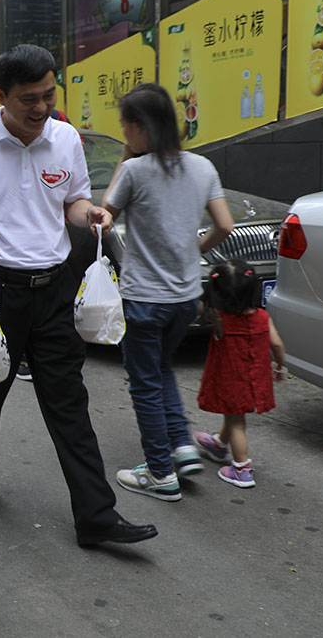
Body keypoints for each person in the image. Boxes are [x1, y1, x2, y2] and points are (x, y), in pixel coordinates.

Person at [0, 44, 157, 547]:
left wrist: (91, 215)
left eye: (48, 95)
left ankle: (96, 515)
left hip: (55, 288)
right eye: (29, 99)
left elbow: (73, 202)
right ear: (1, 96)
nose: (41, 107)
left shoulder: (65, 138)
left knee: (69, 402)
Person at [101, 83, 235, 501]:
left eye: (125, 127)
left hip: (144, 299)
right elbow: (225, 225)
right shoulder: (203, 167)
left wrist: (125, 159)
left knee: (144, 383)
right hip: (186, 298)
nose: (124, 135)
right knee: (162, 369)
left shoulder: (136, 171)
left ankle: (160, 472)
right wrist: (195, 250)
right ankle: (182, 447)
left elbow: (104, 216)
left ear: (140, 127)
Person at [192, 259, 285, 489]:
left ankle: (241, 470)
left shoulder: (219, 318)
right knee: (234, 414)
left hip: (232, 380)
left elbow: (196, 307)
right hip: (255, 379)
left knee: (236, 422)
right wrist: (280, 366)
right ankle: (219, 445)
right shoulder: (263, 317)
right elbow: (277, 344)